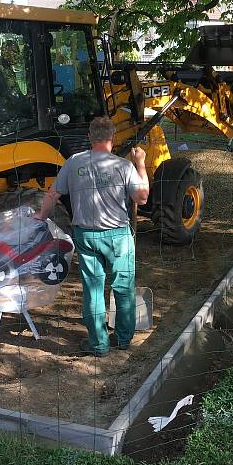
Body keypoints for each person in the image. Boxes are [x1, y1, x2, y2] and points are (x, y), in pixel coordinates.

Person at [33, 117, 150, 356]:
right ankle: (123, 339)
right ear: (112, 138)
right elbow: (142, 198)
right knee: (123, 287)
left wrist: (40, 216)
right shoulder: (123, 166)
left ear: (89, 137)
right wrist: (140, 164)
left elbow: (53, 194)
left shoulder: (74, 163)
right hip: (118, 237)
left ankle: (98, 344)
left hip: (85, 235)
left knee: (93, 289)